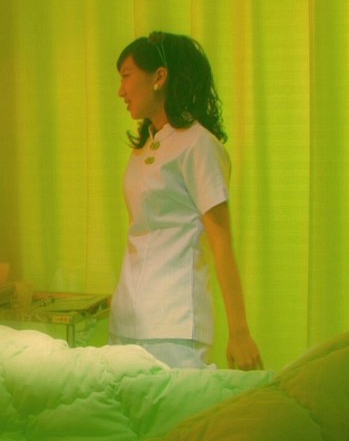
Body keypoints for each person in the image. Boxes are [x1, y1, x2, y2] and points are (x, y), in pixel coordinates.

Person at [110, 31, 263, 370]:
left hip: (175, 324)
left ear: (159, 77)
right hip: (127, 320)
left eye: (126, 76)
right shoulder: (142, 149)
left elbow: (221, 241)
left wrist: (239, 332)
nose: (121, 90)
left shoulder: (198, 145)